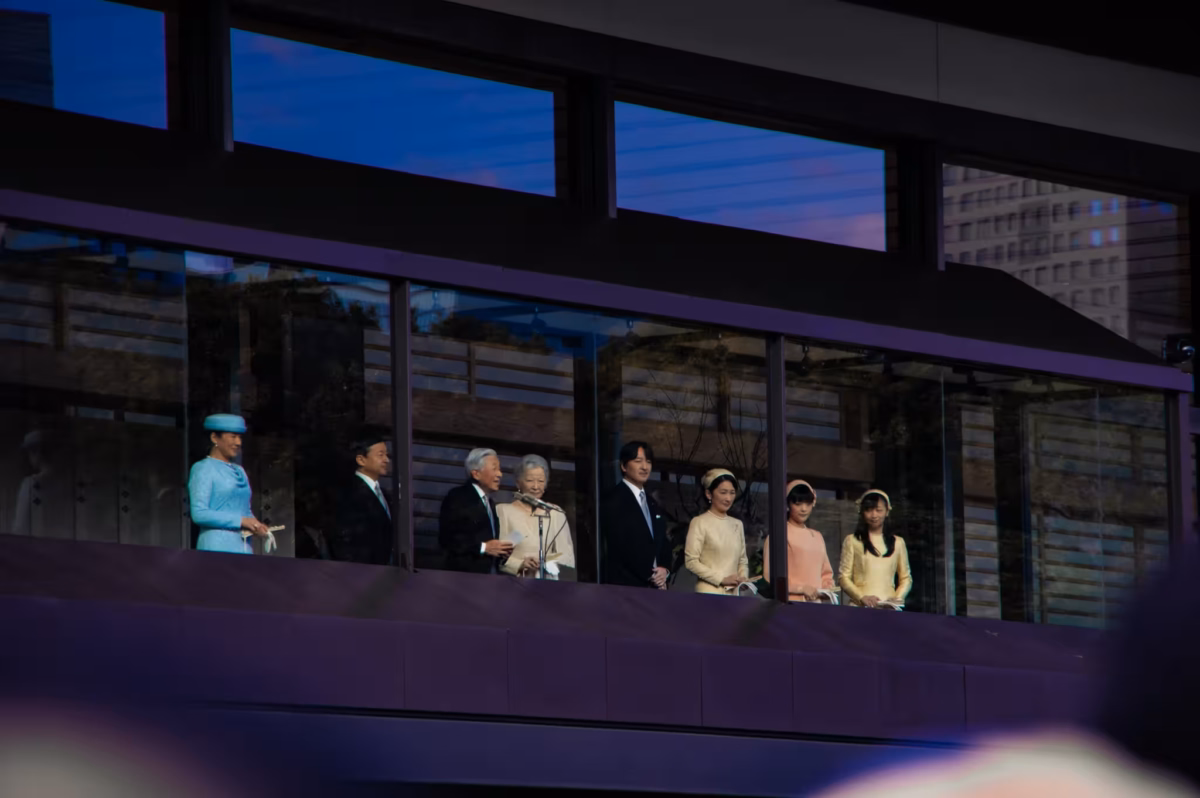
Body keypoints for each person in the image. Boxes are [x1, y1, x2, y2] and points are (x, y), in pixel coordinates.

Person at [188, 414, 271, 554]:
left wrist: (256, 525)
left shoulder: (240, 470)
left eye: (240, 437)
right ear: (215, 438)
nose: (238, 442)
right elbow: (199, 513)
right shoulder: (203, 468)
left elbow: (245, 510)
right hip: (216, 547)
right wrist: (240, 521)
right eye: (233, 436)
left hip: (243, 547)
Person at [601, 441, 672, 589]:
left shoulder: (652, 502)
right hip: (625, 587)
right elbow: (621, 546)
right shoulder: (614, 499)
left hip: (654, 588)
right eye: (638, 461)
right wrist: (650, 574)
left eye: (648, 462)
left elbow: (662, 541)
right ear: (623, 466)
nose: (645, 467)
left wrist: (664, 569)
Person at [496, 454, 576, 579]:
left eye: (541, 481)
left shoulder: (555, 513)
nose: (535, 486)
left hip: (548, 583)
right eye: (529, 481)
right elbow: (500, 556)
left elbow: (567, 557)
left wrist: (545, 564)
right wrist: (521, 564)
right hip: (514, 583)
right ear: (518, 483)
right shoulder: (504, 511)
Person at [438, 447, 513, 574]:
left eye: (499, 469)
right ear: (476, 474)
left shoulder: (489, 502)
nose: (500, 474)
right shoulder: (458, 497)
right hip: (465, 578)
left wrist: (500, 551)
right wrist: (484, 547)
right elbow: (448, 538)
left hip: (490, 578)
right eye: (494, 468)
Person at [838, 488, 912, 608]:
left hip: (889, 608)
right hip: (861, 607)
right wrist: (861, 597)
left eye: (879, 510)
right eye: (869, 510)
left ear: (887, 511)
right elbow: (843, 577)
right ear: (862, 512)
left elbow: (906, 578)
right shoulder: (852, 541)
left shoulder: (898, 542)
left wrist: (897, 598)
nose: (874, 515)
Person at [763, 479, 835, 602]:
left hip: (816, 604)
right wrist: (801, 588)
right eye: (798, 503)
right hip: (789, 603)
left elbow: (826, 574)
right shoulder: (779, 534)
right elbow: (769, 577)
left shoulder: (817, 536)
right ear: (788, 504)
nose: (803, 509)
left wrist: (826, 589)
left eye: (808, 503)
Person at [330, 432, 394, 565]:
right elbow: (345, 539)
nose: (386, 460)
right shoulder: (349, 492)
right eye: (380, 455)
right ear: (361, 460)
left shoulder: (384, 494)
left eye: (386, 455)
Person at [683, 468, 750, 595]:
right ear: (709, 494)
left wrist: (742, 578)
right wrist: (721, 579)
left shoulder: (737, 524)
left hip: (734, 593)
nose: (728, 498)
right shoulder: (699, 522)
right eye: (723, 492)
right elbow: (691, 562)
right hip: (709, 592)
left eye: (732, 493)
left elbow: (742, 560)